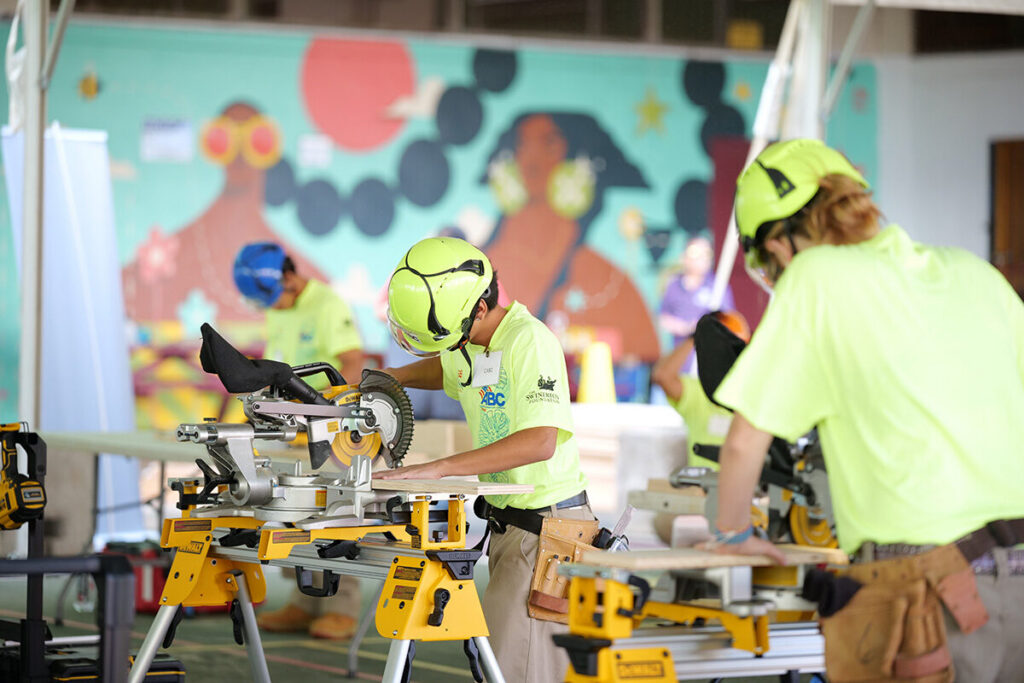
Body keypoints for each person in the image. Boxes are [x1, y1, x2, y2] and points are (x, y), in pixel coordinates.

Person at [707, 138, 1024, 681]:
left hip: (931, 590)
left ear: (780, 243)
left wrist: (733, 535)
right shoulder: (975, 273)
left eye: (765, 260)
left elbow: (742, 443)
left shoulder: (815, 277)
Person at [375, 236, 593, 682]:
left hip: (548, 531)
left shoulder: (529, 341)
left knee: (514, 670)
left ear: (478, 308)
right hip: (514, 527)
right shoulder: (468, 341)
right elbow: (448, 370)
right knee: (509, 664)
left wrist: (439, 468)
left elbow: (540, 441)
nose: (445, 347)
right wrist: (392, 377)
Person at [232, 241, 365, 640]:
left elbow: (353, 363)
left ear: (289, 277)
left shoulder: (327, 305)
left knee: (337, 515)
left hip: (329, 429)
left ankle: (342, 606)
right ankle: (304, 601)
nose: (272, 306)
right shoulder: (279, 309)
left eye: (274, 296)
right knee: (293, 511)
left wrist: (324, 411)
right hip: (291, 431)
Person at [659, 235, 735, 354]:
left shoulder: (718, 287)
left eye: (706, 254)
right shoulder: (673, 285)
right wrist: (686, 328)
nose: (701, 259)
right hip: (681, 356)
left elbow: (729, 321)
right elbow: (663, 317)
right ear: (684, 257)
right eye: (695, 253)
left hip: (708, 355)